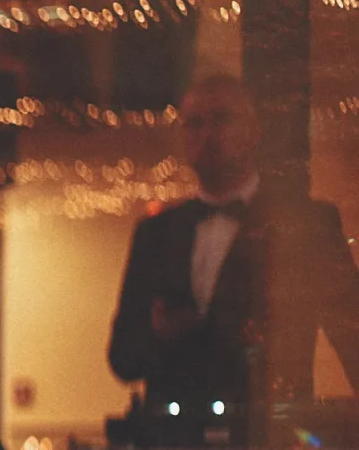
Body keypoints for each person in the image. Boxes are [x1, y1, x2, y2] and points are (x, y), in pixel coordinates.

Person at [107, 74, 359, 428]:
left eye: (221, 119)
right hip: (178, 444)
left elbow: (351, 336)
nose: (207, 135)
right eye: (195, 124)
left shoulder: (305, 226)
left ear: (254, 131)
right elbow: (122, 359)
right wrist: (160, 335)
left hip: (271, 436)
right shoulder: (156, 234)